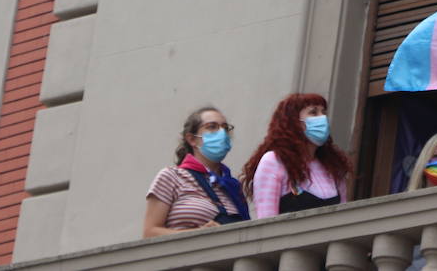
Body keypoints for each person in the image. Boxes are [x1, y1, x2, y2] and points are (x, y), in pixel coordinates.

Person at [144, 105, 251, 236]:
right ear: (192, 139)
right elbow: (150, 233)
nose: (222, 133)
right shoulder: (172, 177)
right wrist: (198, 234)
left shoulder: (233, 187)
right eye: (212, 127)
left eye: (225, 128)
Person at [243, 93, 352, 218]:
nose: (322, 118)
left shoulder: (333, 167)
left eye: (323, 112)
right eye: (313, 112)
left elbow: (343, 216)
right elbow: (266, 219)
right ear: (294, 122)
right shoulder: (274, 161)